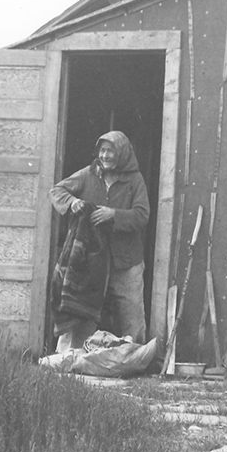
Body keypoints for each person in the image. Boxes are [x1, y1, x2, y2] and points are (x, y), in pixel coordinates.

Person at [49, 131, 149, 346]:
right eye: (102, 151)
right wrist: (72, 202)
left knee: (131, 312)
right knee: (79, 307)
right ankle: (68, 357)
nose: (105, 156)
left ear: (122, 154)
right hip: (90, 260)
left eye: (110, 151)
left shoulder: (134, 180)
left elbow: (142, 215)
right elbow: (57, 191)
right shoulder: (88, 174)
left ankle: (135, 358)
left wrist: (114, 215)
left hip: (125, 259)